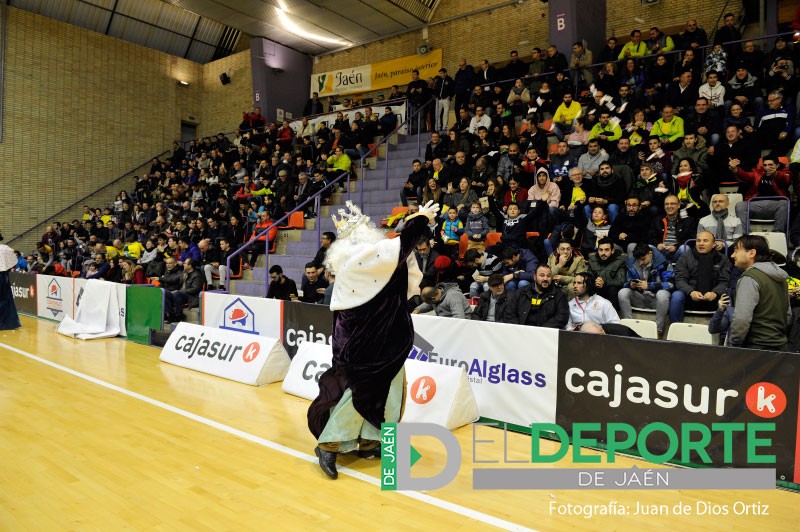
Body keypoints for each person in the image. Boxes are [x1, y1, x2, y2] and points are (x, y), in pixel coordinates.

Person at [307, 200, 439, 479]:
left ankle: (371, 440)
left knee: (390, 394)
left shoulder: (369, 260)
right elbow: (400, 246)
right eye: (367, 228)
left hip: (387, 338)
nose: (373, 230)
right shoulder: (360, 259)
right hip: (366, 343)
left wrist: (415, 222)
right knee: (359, 394)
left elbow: (400, 263)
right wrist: (420, 218)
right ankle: (329, 444)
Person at [729, 235, 791, 350]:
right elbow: (788, 315)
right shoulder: (782, 279)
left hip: (755, 349)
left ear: (752, 253)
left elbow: (742, 318)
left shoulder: (749, 278)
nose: (733, 255)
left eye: (736, 250)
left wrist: (734, 343)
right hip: (781, 346)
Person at [670, 231, 731, 324]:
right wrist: (691, 292)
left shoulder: (723, 259)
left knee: (729, 296)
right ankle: (674, 327)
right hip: (690, 295)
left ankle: (722, 335)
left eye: (705, 241)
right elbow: (680, 280)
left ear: (713, 244)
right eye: (698, 241)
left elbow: (725, 281)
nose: (701, 243)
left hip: (714, 297)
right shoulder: (685, 257)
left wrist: (715, 293)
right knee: (677, 296)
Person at [618, 243, 674, 336]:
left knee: (662, 294)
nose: (641, 263)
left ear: (650, 253)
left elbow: (671, 284)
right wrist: (630, 284)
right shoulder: (632, 263)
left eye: (643, 259)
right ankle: (629, 327)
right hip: (640, 297)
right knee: (622, 292)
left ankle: (658, 331)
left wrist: (650, 286)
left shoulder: (664, 263)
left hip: (657, 300)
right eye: (638, 260)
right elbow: (626, 282)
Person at [730, 155, 791, 238]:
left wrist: (775, 174)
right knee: (740, 205)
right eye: (765, 165)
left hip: (776, 205)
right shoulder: (757, 173)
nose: (767, 167)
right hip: (756, 205)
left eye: (770, 165)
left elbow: (785, 180)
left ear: (777, 165)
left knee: (784, 203)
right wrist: (735, 169)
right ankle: (745, 236)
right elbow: (744, 175)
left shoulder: (785, 173)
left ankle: (778, 235)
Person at [502, 264, 569, 328]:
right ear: (535, 277)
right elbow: (509, 313)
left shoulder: (559, 296)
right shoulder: (522, 292)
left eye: (548, 276)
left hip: (545, 335)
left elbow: (562, 317)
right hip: (521, 333)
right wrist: (519, 329)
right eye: (542, 275)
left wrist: (540, 331)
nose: (545, 278)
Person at [587, 237, 626, 310]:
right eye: (600, 250)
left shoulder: (620, 260)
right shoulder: (592, 260)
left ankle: (612, 318)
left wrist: (604, 283)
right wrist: (596, 282)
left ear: (612, 250)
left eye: (606, 250)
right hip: (596, 288)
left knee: (612, 289)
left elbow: (621, 281)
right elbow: (588, 277)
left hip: (611, 291)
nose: (603, 253)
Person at [163, 258, 203, 323]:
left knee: (177, 294)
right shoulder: (184, 272)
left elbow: (195, 289)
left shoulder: (196, 275)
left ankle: (179, 315)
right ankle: (170, 314)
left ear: (190, 266)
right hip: (180, 293)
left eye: (185, 263)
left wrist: (180, 291)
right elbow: (174, 279)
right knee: (165, 292)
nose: (183, 264)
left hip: (191, 297)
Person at [0, 233, 21, 330]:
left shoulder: (5, 248)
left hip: (2, 275)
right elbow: (14, 260)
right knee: (5, 298)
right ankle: (7, 323)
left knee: (3, 299)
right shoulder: (6, 248)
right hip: (4, 275)